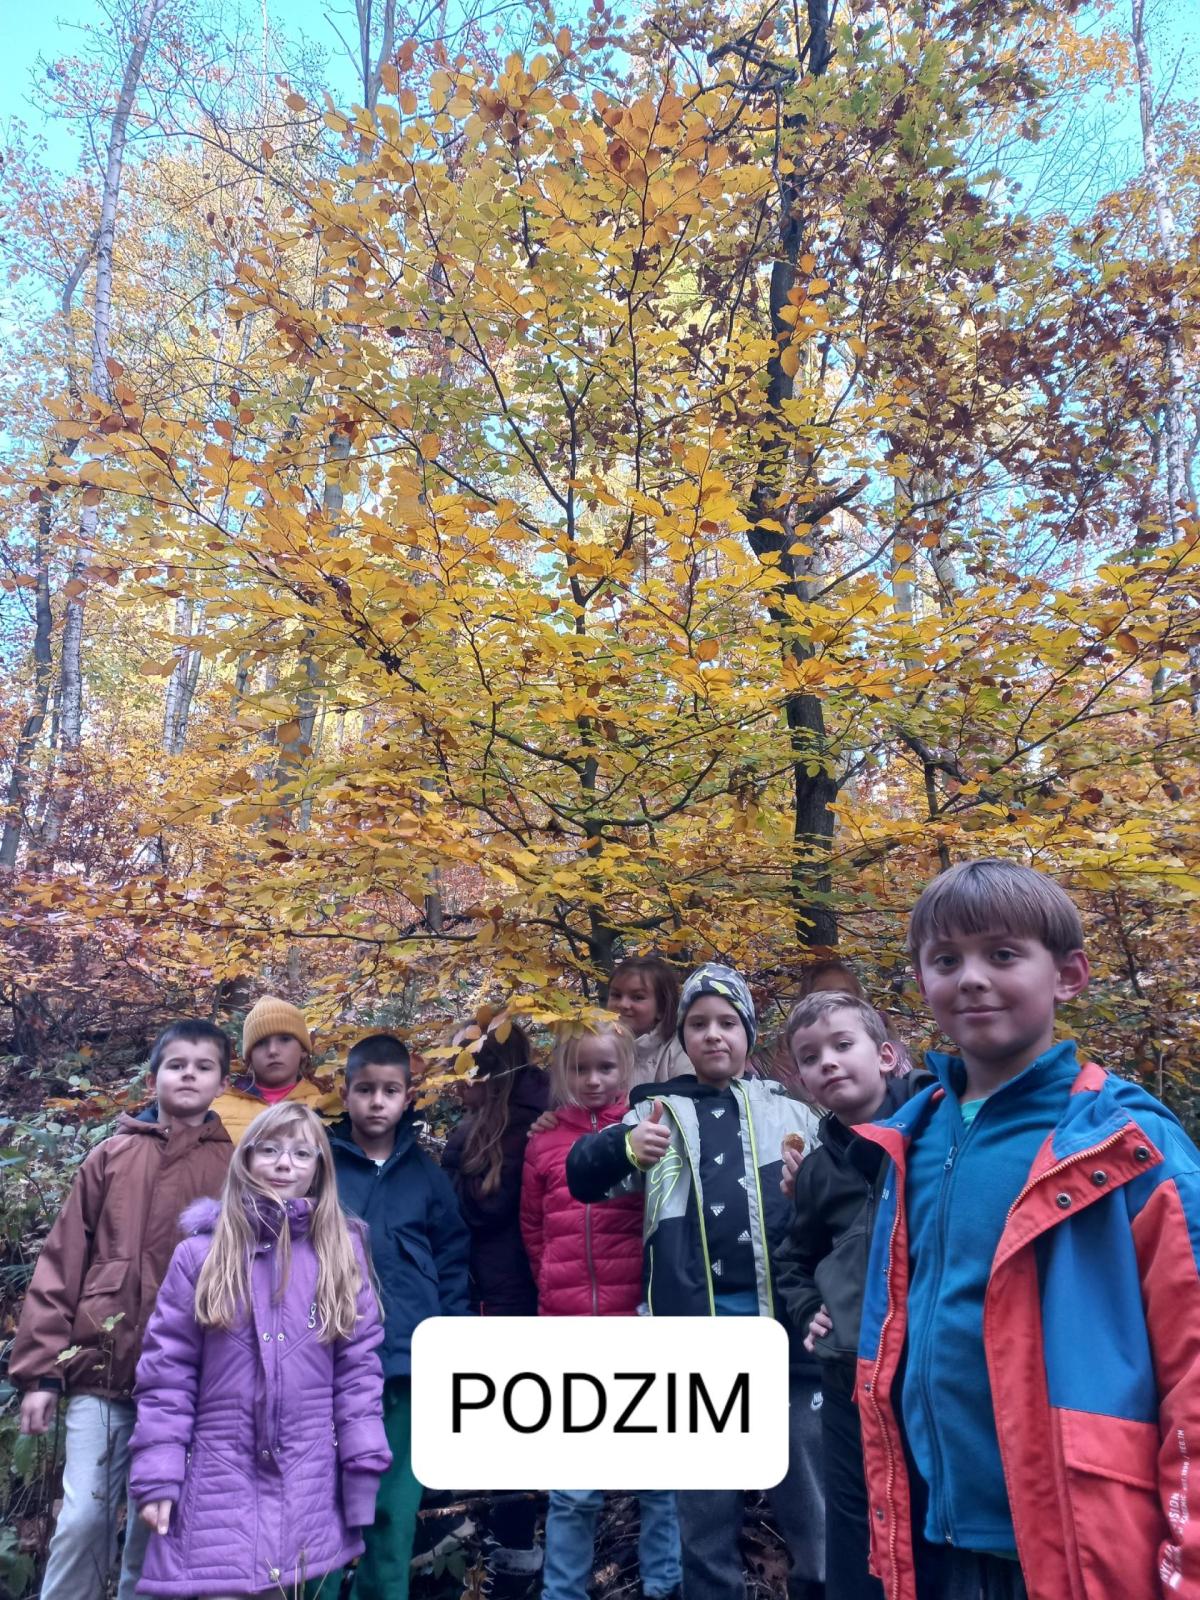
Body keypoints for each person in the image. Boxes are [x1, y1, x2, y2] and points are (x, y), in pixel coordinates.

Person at [857, 858, 1200, 1600]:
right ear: (921, 980)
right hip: (932, 1537)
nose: (972, 979)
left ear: (1067, 975)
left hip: (1077, 1542)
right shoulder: (911, 1139)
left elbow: (1193, 1361)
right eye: (946, 960)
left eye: (1003, 954)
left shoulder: (1124, 1143)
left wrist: (1189, 1565)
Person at [566, 963, 825, 1600]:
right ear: (682, 1035)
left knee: (813, 1509)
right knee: (703, 1519)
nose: (713, 1035)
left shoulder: (793, 1111)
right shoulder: (657, 1110)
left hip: (786, 1341)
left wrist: (812, 1186)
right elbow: (583, 1177)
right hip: (694, 1345)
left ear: (748, 1034)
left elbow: (842, 1211)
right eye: (699, 1024)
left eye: (728, 1023)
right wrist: (625, 1148)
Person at [128, 1102, 390, 1599]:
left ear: (320, 1168)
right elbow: (167, 1374)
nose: (284, 1163)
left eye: (301, 1153)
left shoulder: (340, 1251)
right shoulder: (200, 1254)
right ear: (245, 1158)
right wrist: (159, 1474)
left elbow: (358, 1372)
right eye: (269, 1149)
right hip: (216, 1474)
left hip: (306, 1476)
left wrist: (361, 1472)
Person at [10, 1019, 234, 1600]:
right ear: (154, 1076)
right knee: (83, 1518)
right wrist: (41, 1373)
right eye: (176, 1064)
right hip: (99, 1371)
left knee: (153, 1530)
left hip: (188, 1386)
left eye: (203, 1067)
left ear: (222, 1083)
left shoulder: (234, 1168)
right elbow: (61, 1262)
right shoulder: (111, 1156)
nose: (189, 1075)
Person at [775, 993, 932, 1600]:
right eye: (811, 1057)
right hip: (849, 1371)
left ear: (886, 1055)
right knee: (854, 1518)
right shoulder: (817, 1170)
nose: (829, 1063)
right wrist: (806, 1310)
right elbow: (795, 1256)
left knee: (928, 1514)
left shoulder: (937, 1130)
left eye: (843, 1045)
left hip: (927, 1364)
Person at [521, 1019, 682, 1600]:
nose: (593, 1080)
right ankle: (563, 1591)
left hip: (637, 1320)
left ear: (626, 1069)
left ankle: (664, 1584)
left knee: (658, 1476)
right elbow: (534, 1228)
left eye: (605, 1067)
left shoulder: (646, 1128)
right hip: (568, 1328)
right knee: (574, 1487)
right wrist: (551, 1286)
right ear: (563, 1071)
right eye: (580, 1068)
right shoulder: (543, 1141)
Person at [325, 1032, 470, 1600]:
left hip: (407, 1365)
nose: (376, 1102)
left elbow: (453, 1261)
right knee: (322, 1508)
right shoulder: (319, 1167)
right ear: (345, 1093)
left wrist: (450, 1345)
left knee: (392, 1512)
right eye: (365, 1090)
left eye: (390, 1091)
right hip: (327, 1364)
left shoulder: (426, 1176)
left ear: (409, 1097)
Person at [441, 1018, 549, 1595]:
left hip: (506, 1295)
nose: (453, 1079)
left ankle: (511, 1562)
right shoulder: (534, 1117)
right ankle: (510, 1553)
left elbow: (475, 1216)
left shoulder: (504, 1132)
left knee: (510, 1426)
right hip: (517, 1292)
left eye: (461, 1065)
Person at [211, 994, 327, 1144]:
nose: (272, 1051)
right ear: (249, 1056)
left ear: (303, 1050)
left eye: (284, 1039)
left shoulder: (324, 1107)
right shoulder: (217, 1107)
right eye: (261, 1043)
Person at [607, 956, 692, 1083]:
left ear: (661, 1008)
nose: (623, 1004)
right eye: (616, 995)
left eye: (637, 997)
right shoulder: (593, 1045)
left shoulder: (678, 1051)